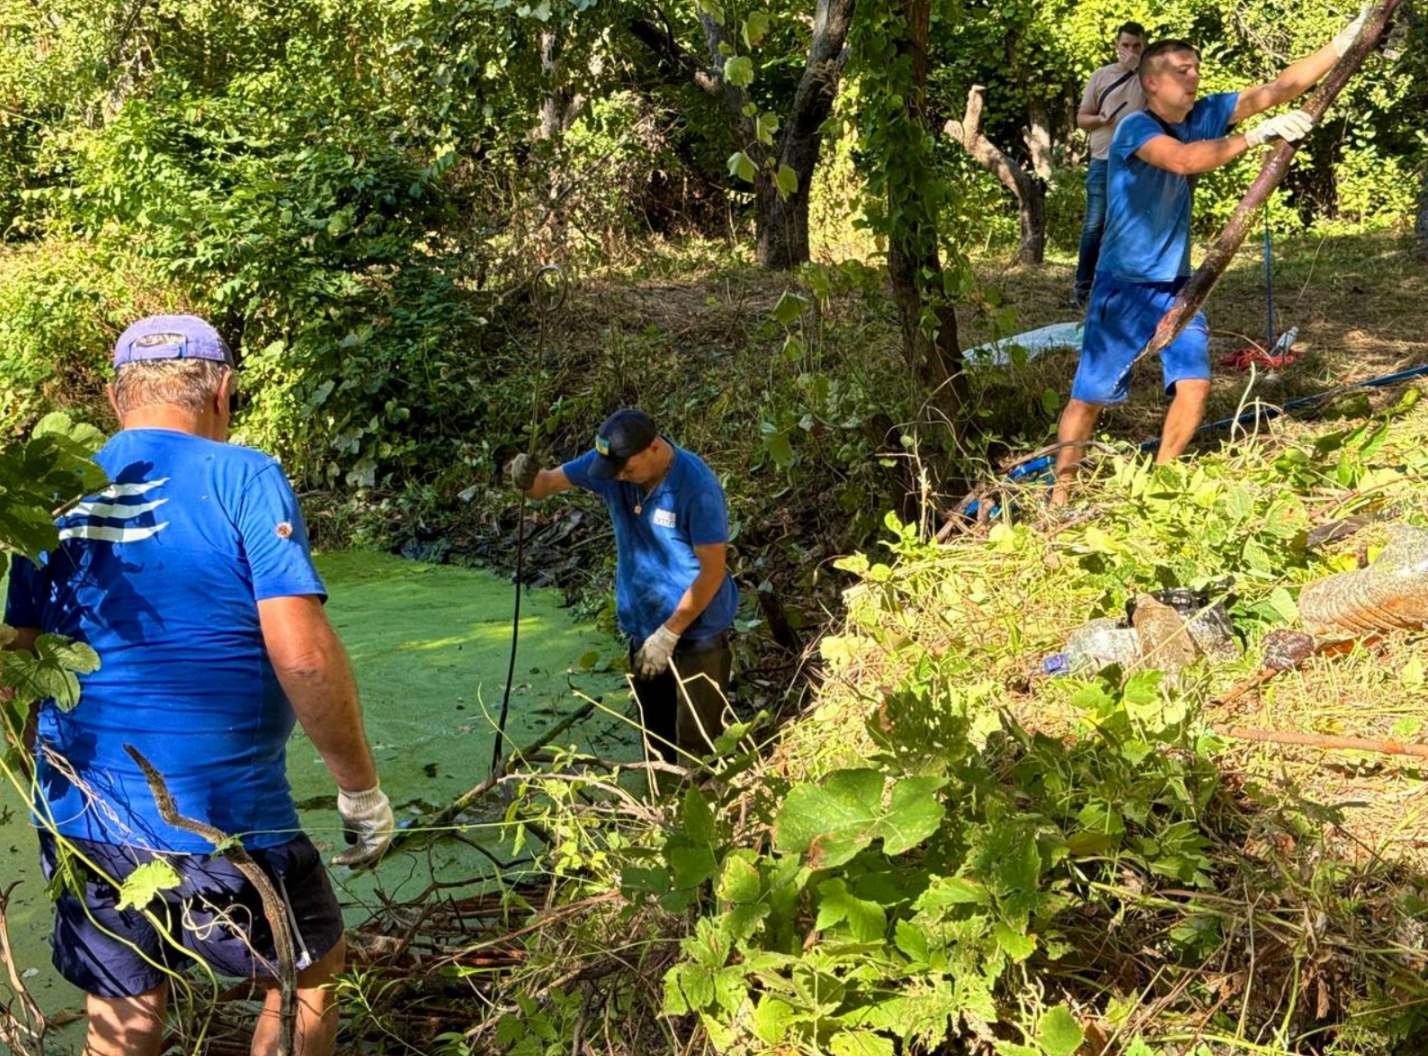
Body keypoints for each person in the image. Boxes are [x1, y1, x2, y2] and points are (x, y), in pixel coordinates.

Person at [3, 315, 394, 1056]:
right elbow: (303, 655)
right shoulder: (245, 476)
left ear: (118, 400)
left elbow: (18, 660)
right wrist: (360, 788)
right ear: (224, 392)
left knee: (123, 1006)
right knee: (306, 971)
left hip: (79, 808)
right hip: (222, 815)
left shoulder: (54, 496)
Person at [1051, 9, 1369, 505]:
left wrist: (1345, 42)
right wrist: (1256, 136)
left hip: (1177, 284)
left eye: (1196, 68)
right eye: (1182, 71)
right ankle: (1062, 493)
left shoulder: (1202, 115)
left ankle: (1160, 490)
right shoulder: (1134, 127)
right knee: (1090, 397)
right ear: (1151, 82)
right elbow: (1184, 160)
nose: (1194, 77)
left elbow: (1280, 88)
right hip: (1123, 286)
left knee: (1195, 386)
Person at [508, 409, 738, 764]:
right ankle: (658, 809)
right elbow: (544, 485)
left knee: (700, 749)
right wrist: (524, 475)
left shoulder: (697, 488)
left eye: (628, 470)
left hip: (698, 630)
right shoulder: (611, 466)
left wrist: (669, 634)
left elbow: (712, 572)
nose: (621, 478)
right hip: (643, 624)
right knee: (655, 746)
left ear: (654, 448)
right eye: (615, 472)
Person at [1073, 20, 1148, 308]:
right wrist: (1101, 120)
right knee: (1095, 225)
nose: (1130, 51)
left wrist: (1138, 71)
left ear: (1144, 47)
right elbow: (1082, 118)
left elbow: (1163, 105)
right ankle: (1082, 288)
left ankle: (1127, 290)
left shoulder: (1149, 78)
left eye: (1136, 46)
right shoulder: (1101, 76)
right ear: (1117, 46)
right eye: (1125, 45)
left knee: (1133, 224)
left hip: (1137, 161)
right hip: (1103, 160)